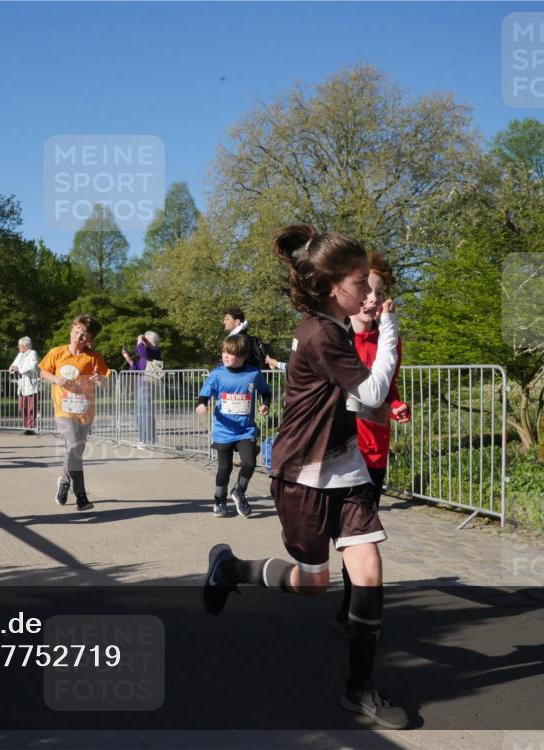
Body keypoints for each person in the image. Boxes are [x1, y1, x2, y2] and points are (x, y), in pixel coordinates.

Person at [202, 224, 406, 730]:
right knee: (314, 584)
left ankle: (359, 689)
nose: (369, 296)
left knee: (368, 566)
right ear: (331, 287)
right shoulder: (320, 333)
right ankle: (229, 569)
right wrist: (390, 331)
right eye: (361, 284)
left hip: (347, 465)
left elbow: (357, 398)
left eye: (372, 288)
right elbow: (373, 391)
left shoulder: (331, 328)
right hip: (302, 472)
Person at [334, 251, 411, 633]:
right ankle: (349, 604)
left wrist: (395, 405)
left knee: (360, 537)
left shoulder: (388, 340)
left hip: (375, 451)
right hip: (342, 451)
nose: (372, 299)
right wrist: (368, 410)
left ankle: (352, 608)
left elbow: (388, 389)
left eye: (378, 294)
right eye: (365, 290)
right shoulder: (335, 339)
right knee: (349, 537)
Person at [39, 314, 110, 512]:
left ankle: (64, 481)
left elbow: (105, 380)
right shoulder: (57, 352)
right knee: (73, 446)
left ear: (90, 339)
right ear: (71, 331)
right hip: (63, 410)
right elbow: (43, 371)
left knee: (75, 451)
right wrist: (55, 379)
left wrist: (99, 379)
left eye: (83, 335)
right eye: (76, 332)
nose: (78, 337)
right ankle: (81, 496)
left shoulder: (93, 357)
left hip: (85, 411)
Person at [196, 334, 271, 518]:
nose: (225, 356)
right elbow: (204, 394)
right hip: (223, 430)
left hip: (245, 430)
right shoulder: (217, 374)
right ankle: (219, 500)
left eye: (230, 353)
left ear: (243, 356)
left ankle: (239, 492)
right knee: (224, 468)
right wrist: (202, 404)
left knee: (249, 463)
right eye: (224, 352)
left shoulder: (253, 373)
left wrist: (265, 404)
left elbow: (266, 392)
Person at [121, 331, 162, 447]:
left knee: (145, 413)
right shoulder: (146, 355)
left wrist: (140, 340)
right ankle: (145, 439)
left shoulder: (154, 351)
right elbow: (136, 369)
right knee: (141, 414)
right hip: (142, 386)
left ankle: (148, 440)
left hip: (148, 385)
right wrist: (128, 359)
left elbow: (142, 351)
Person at [9, 336, 40, 435]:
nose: (18, 347)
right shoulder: (19, 355)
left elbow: (32, 366)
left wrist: (20, 369)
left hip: (31, 385)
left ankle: (30, 427)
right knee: (22, 407)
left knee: (31, 408)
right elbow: (12, 366)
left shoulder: (33, 353)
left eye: (19, 345)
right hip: (22, 385)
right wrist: (13, 368)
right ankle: (26, 426)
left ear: (25, 345)